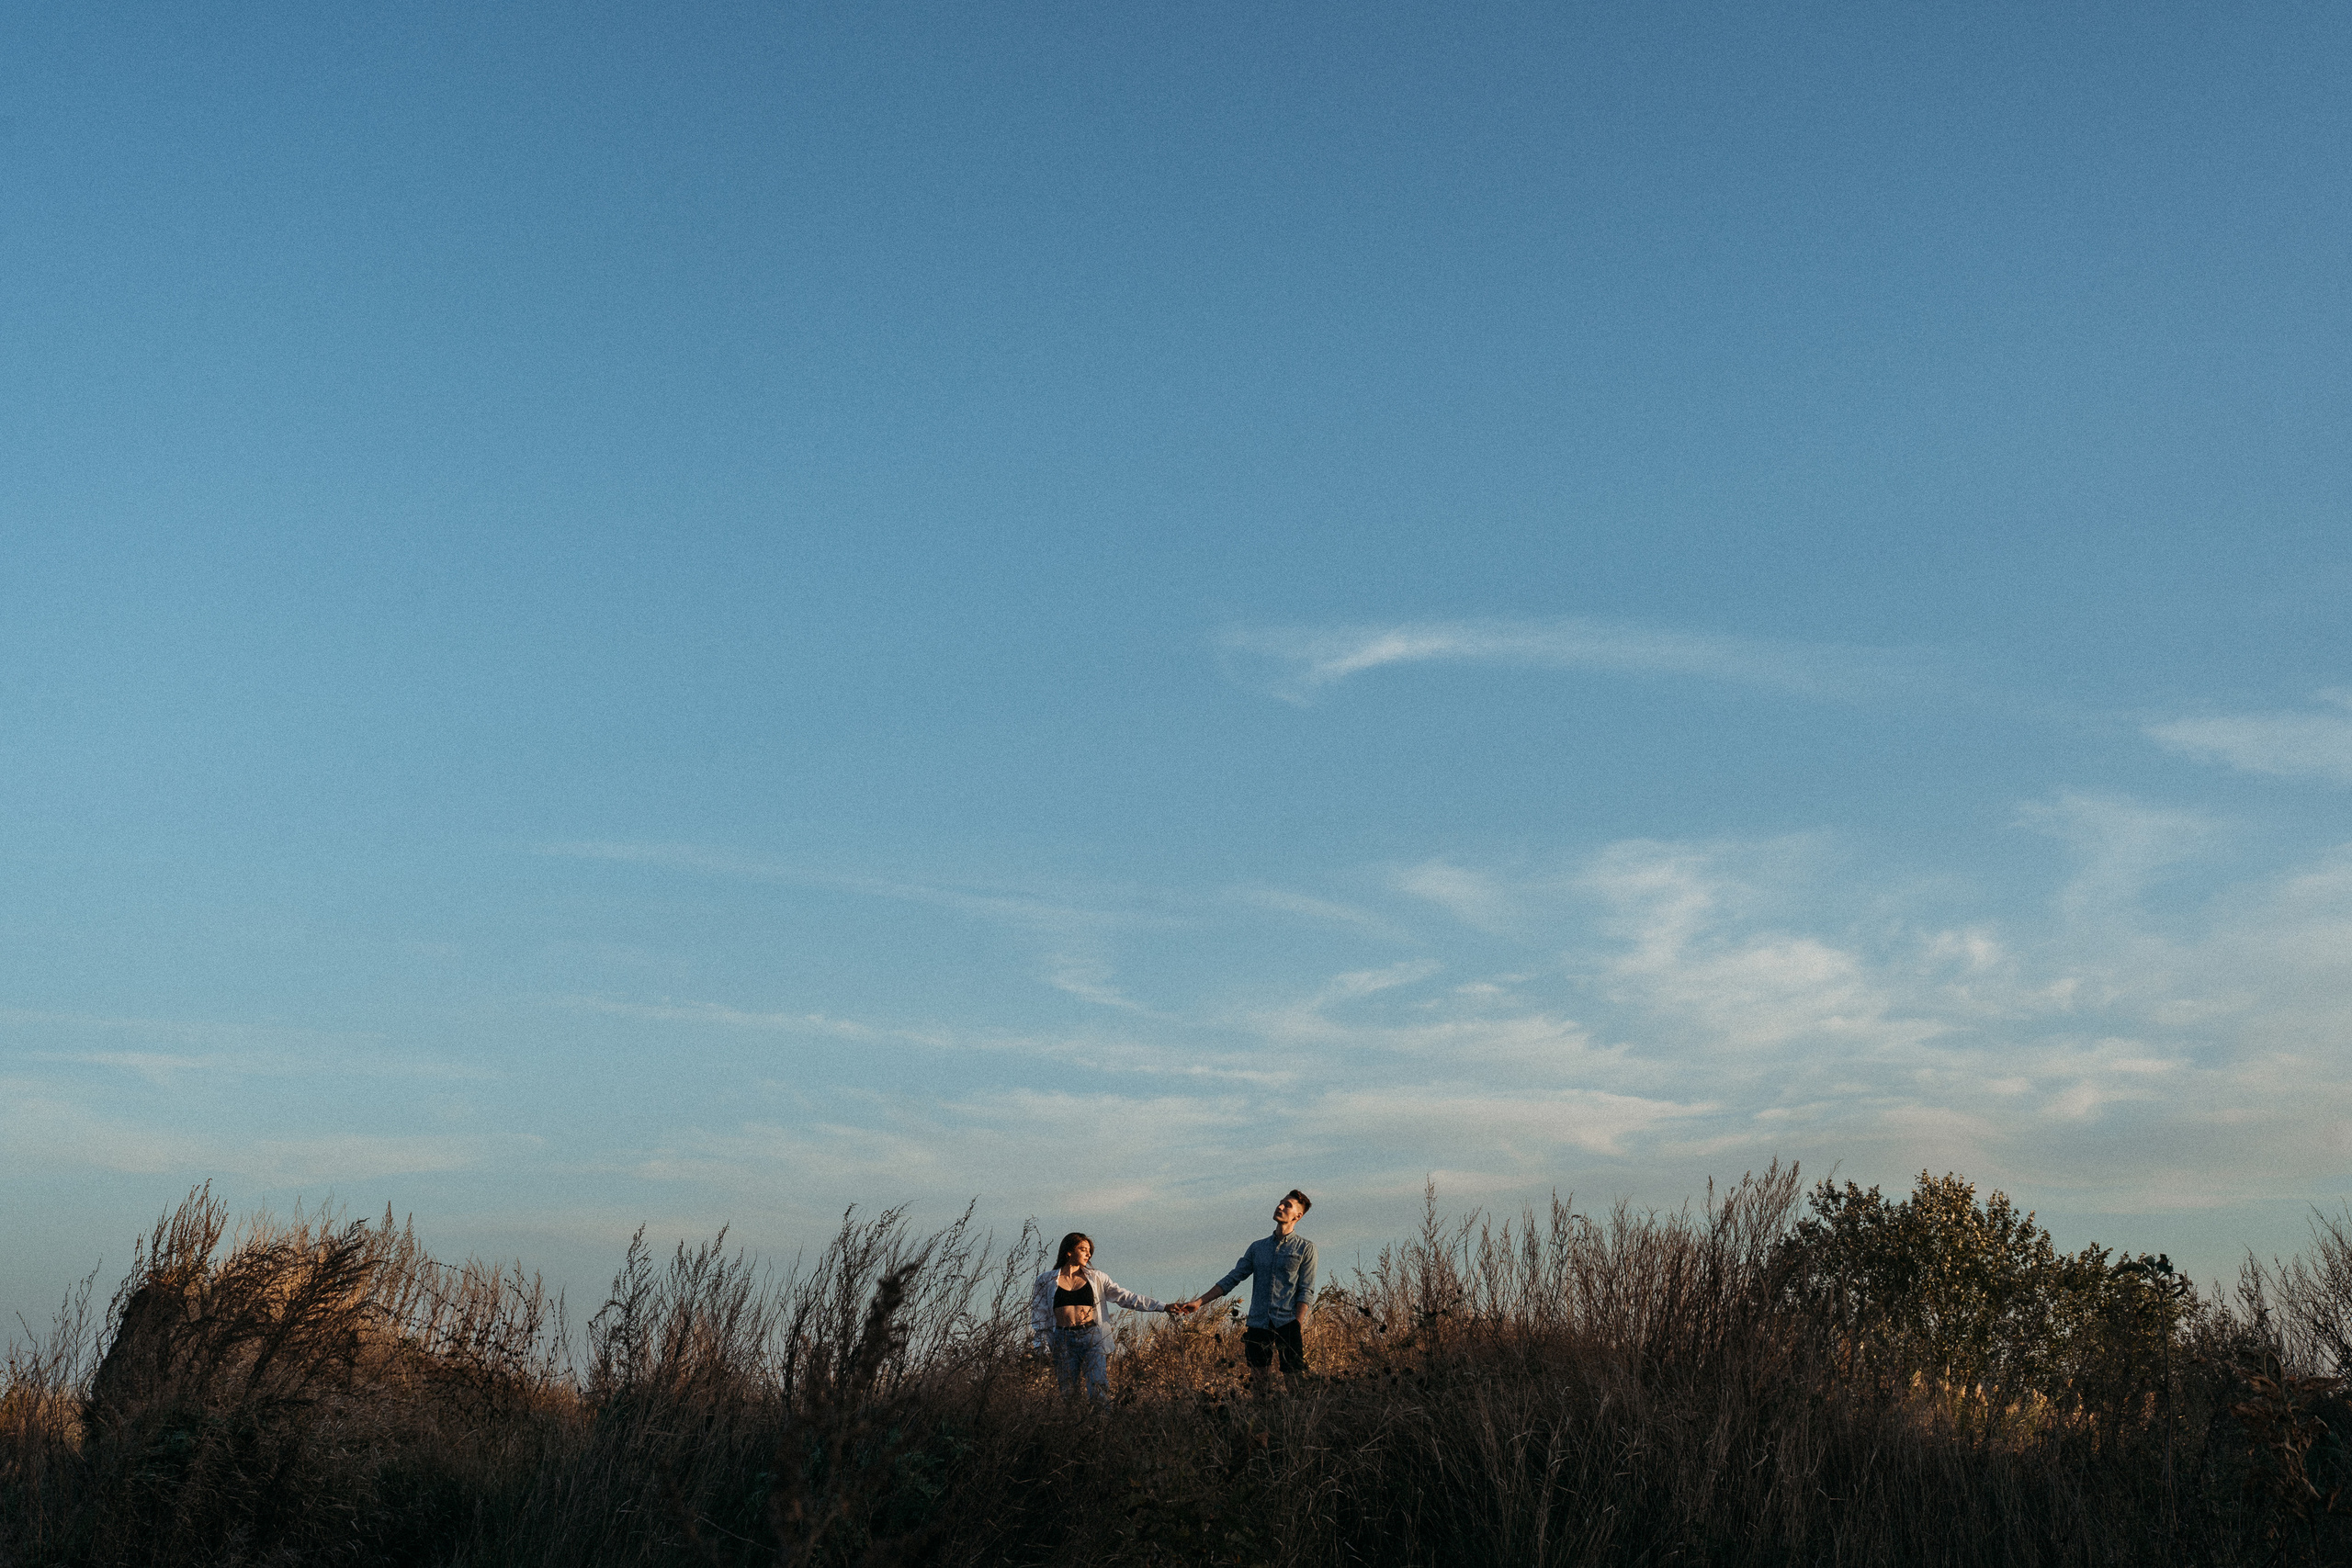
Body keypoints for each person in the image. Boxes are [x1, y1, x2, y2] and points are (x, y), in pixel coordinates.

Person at [1182, 1190, 1317, 1398]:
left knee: (1295, 1384)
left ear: (1297, 1216)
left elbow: (1306, 1290)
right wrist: (1200, 1302)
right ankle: (1262, 1416)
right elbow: (1233, 1278)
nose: (1280, 1206)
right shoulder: (1257, 1248)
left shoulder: (1305, 1249)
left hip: (1287, 1323)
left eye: (1287, 1205)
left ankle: (1298, 1418)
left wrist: (1297, 1324)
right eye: (1281, 1202)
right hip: (1258, 1323)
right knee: (1259, 1386)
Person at [1029, 1231, 1186, 1402]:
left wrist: (1163, 1306)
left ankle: (1102, 1418)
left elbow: (1126, 1297)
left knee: (1098, 1389)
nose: (1088, 1254)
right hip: (1063, 1339)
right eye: (1083, 1249)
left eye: (1089, 1251)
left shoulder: (1097, 1277)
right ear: (1068, 1251)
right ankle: (1074, 1420)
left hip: (1091, 1337)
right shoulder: (1045, 1280)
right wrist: (1041, 1347)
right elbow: (1039, 1316)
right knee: (1068, 1392)